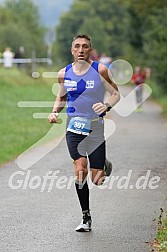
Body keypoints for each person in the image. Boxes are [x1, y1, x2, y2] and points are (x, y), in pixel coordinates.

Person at [48, 34, 120, 232]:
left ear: (90, 50)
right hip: (73, 127)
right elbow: (61, 97)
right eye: (77, 46)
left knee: (97, 180)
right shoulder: (64, 73)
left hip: (95, 127)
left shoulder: (100, 70)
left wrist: (106, 106)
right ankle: (86, 216)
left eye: (85, 47)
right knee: (80, 169)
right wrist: (54, 111)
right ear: (72, 50)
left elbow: (115, 94)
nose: (81, 50)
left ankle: (103, 164)